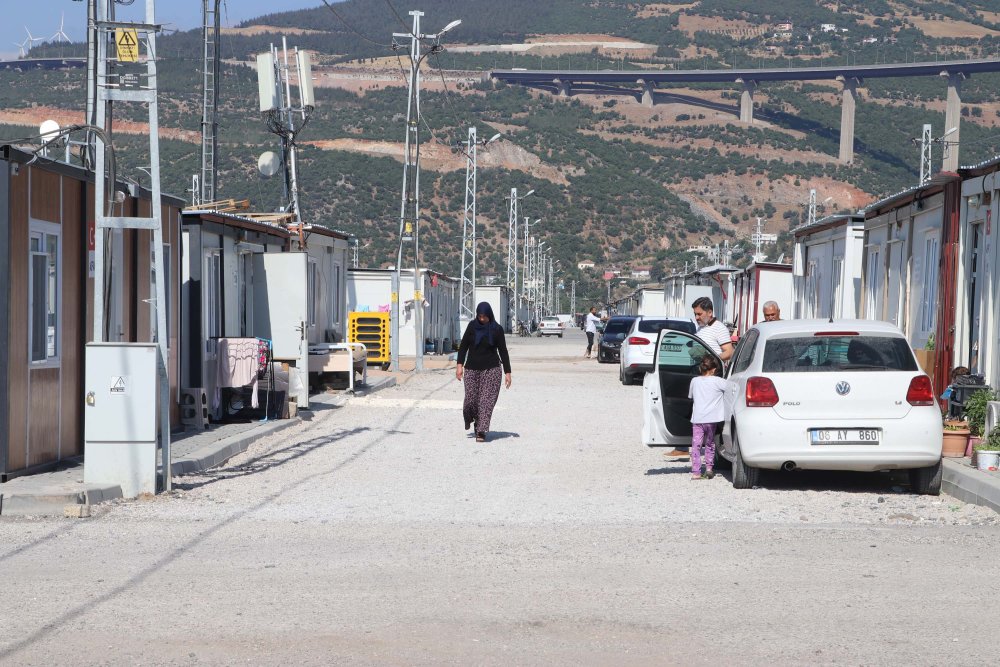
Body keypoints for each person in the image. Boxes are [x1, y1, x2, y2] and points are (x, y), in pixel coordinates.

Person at [664, 297, 734, 461]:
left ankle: (714, 449)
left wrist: (711, 362)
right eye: (695, 314)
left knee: (709, 415)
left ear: (710, 312)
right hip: (700, 375)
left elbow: (729, 351)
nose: (696, 317)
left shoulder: (719, 328)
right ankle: (683, 445)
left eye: (699, 314)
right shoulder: (702, 328)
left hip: (711, 377)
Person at [456, 302, 512, 442]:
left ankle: (481, 430)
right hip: (471, 369)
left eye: (485, 316)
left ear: (489, 315)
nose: (482, 319)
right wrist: (459, 366)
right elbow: (463, 347)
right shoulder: (472, 327)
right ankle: (474, 420)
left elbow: (503, 351)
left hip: (491, 369)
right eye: (480, 316)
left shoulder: (496, 329)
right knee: (471, 400)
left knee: (485, 401)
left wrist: (508, 372)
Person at [688, 355, 727, 480]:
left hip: (697, 419)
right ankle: (709, 468)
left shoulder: (694, 381)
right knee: (710, 443)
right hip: (711, 419)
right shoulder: (718, 381)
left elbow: (690, 396)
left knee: (696, 445)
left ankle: (696, 472)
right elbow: (734, 389)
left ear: (701, 368)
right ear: (714, 369)